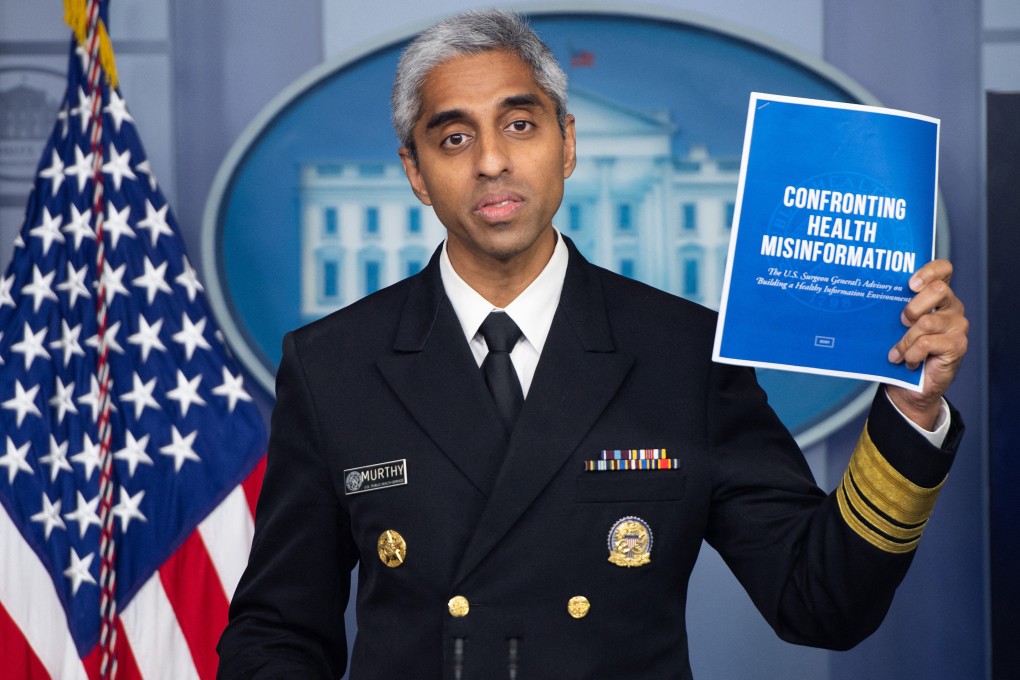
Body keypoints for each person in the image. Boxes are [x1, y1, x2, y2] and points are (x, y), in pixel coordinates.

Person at [217, 10, 968, 679]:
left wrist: (910, 410)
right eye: (454, 137)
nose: (491, 162)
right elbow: (278, 630)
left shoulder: (686, 353)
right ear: (415, 171)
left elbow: (819, 602)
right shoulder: (333, 364)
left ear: (567, 143)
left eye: (520, 124)